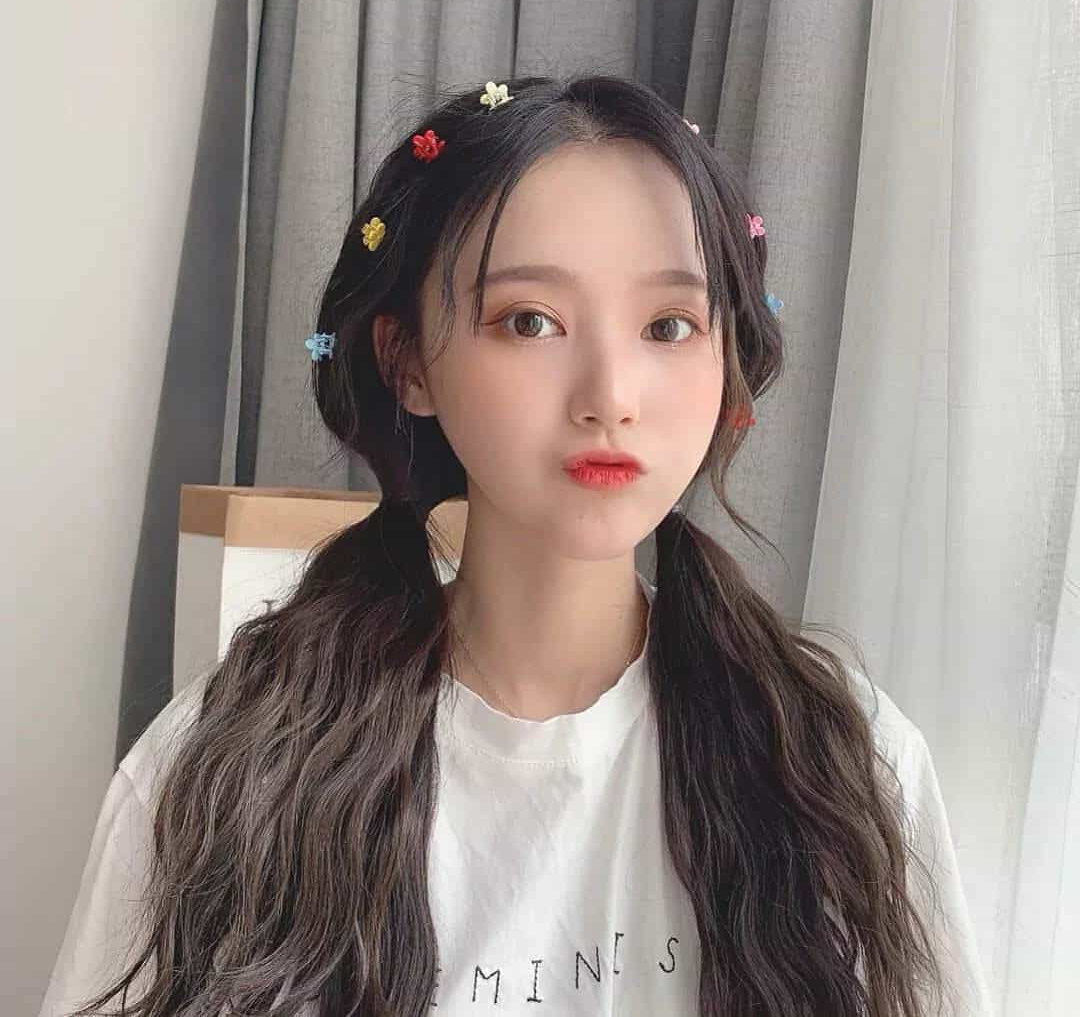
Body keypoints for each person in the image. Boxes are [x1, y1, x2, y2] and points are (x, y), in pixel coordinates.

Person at [38, 74, 993, 1016]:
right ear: (407, 362)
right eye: (530, 321)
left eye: (668, 326)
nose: (609, 394)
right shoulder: (235, 769)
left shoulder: (841, 771)